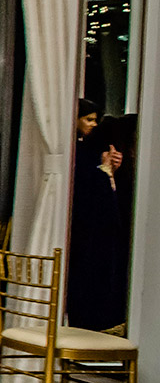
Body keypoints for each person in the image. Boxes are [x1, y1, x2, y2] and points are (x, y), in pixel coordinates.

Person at [67, 100, 130, 331]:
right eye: (88, 119)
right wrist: (105, 173)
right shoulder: (78, 153)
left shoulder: (88, 150)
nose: (92, 124)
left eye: (95, 120)